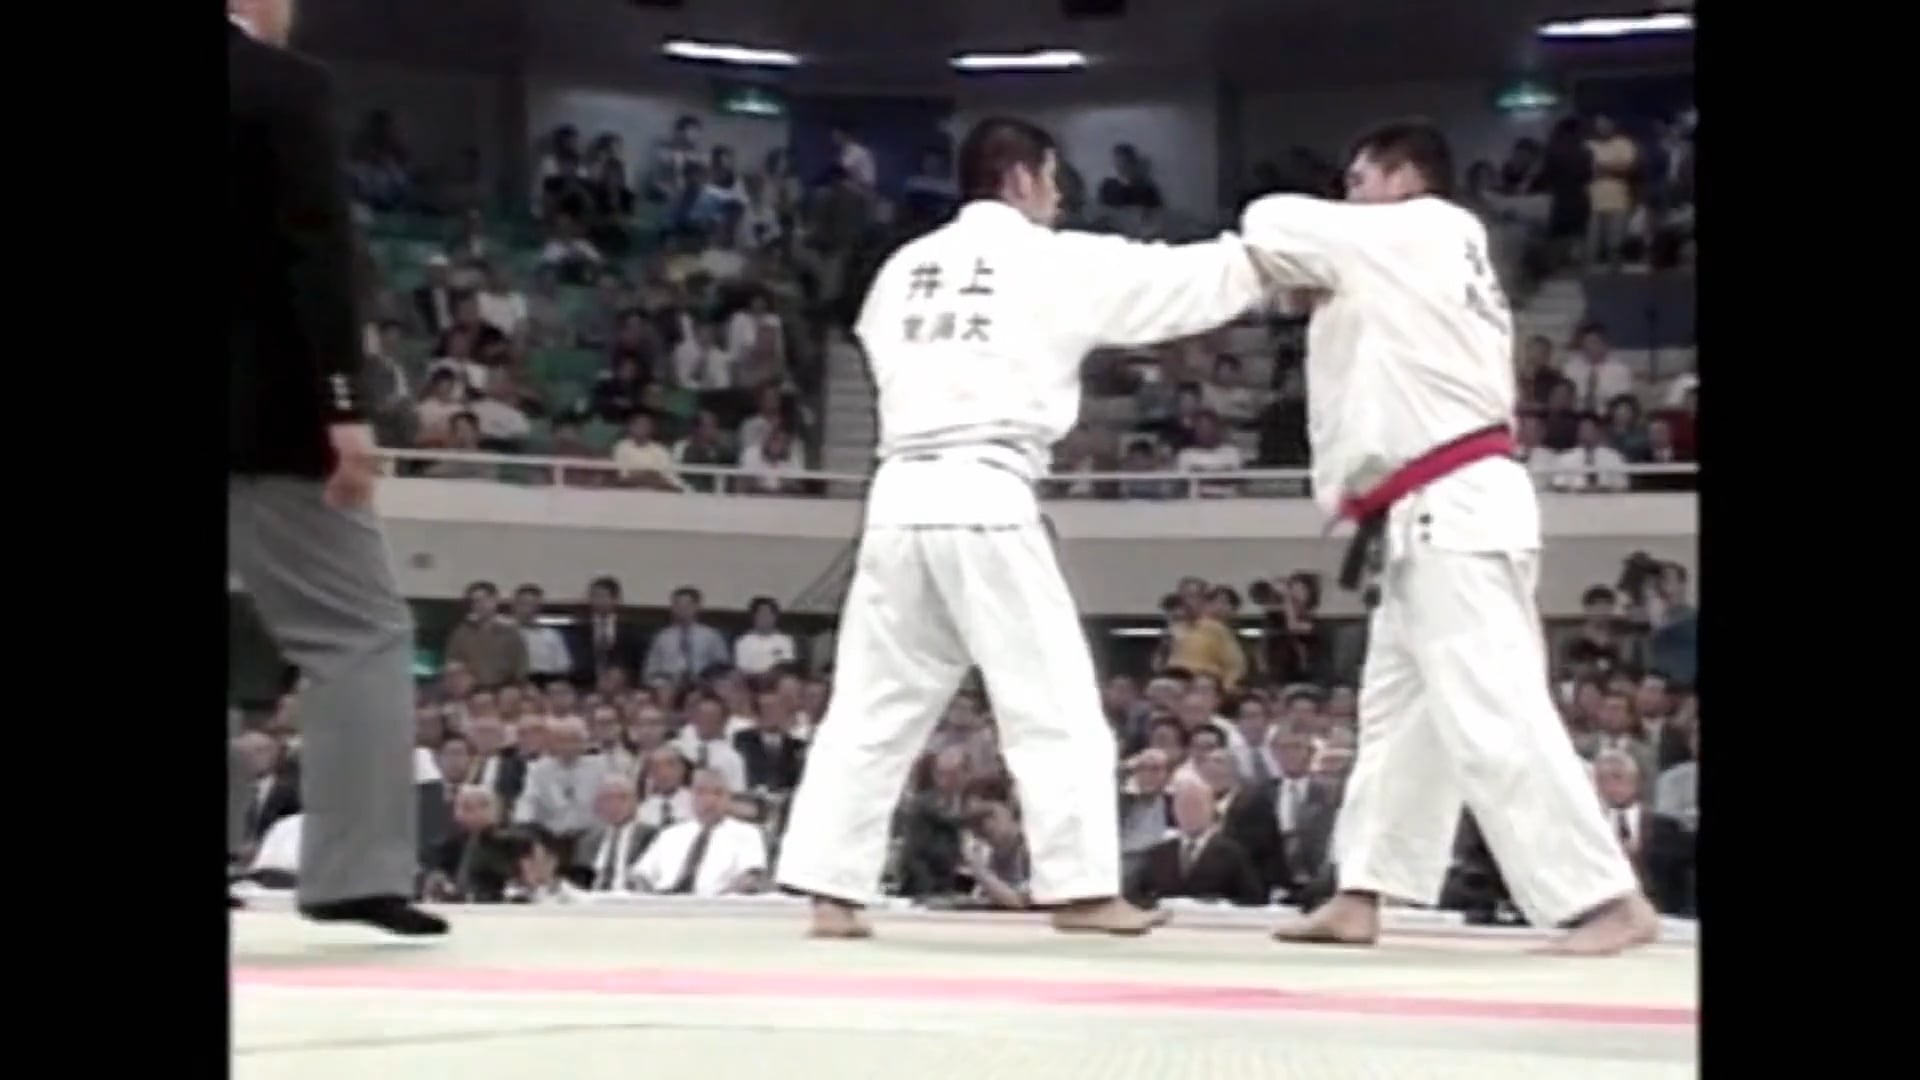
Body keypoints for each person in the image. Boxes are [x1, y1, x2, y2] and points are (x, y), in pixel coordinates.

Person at [773, 116, 1272, 939]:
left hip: (897, 498)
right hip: (985, 491)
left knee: (871, 706)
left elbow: (877, 343)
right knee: (1053, 700)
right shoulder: (1047, 259)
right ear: (1022, 177)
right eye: (1053, 179)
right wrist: (1274, 254)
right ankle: (1081, 888)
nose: (1060, 197)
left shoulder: (902, 268)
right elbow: (1178, 282)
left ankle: (831, 889)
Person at [1239, 118, 1657, 956]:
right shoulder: (1427, 253)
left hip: (1453, 509)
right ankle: (1364, 889)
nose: (1350, 198)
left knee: (1495, 708)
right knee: (1399, 716)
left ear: (1402, 178)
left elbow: (1268, 219)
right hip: (1431, 513)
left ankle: (1606, 896)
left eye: (1358, 181)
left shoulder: (1421, 227)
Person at [227, 0, 445, 936]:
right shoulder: (279, 85)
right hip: (262, 412)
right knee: (358, 634)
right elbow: (315, 252)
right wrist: (345, 407)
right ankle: (353, 874)